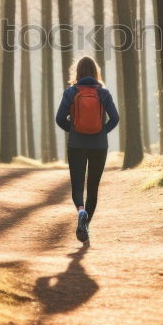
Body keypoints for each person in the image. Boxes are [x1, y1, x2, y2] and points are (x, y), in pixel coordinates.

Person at [55, 56, 119, 243]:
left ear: (77, 72)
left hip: (76, 145)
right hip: (99, 145)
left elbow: (60, 119)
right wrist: (101, 131)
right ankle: (85, 226)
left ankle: (80, 211)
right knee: (93, 188)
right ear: (95, 72)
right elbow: (115, 118)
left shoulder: (71, 92)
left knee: (77, 186)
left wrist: (74, 130)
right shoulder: (103, 93)